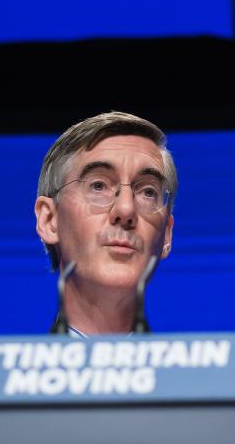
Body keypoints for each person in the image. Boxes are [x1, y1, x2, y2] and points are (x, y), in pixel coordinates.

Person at [34, 111, 177, 337]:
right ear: (50, 220)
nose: (126, 209)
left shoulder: (215, 371)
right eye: (98, 186)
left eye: (148, 192)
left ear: (166, 235)